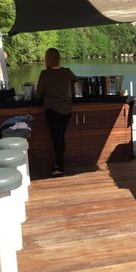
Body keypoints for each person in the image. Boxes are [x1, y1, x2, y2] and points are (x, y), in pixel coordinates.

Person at [36, 47, 78, 177]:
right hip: (66, 110)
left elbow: (38, 95)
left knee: (57, 139)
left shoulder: (45, 74)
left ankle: (60, 167)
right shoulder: (67, 72)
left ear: (47, 59)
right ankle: (58, 163)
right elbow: (76, 79)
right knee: (60, 138)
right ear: (59, 58)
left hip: (52, 111)